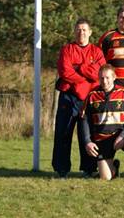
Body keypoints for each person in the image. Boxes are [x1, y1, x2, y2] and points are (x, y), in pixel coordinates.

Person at [52, 18, 106, 178]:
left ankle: (89, 169)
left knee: (87, 135)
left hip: (89, 98)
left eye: (84, 30)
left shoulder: (96, 51)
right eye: (78, 29)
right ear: (74, 31)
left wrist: (79, 67)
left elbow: (100, 73)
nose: (81, 32)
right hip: (68, 97)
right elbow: (65, 72)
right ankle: (61, 169)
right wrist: (85, 77)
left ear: (90, 32)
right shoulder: (67, 49)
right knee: (63, 133)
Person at [80, 64, 124, 180]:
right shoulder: (92, 95)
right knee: (106, 178)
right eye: (102, 78)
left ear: (114, 77)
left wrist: (122, 136)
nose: (104, 81)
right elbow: (84, 119)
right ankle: (114, 168)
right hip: (102, 139)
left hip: (122, 136)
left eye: (107, 77)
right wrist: (87, 141)